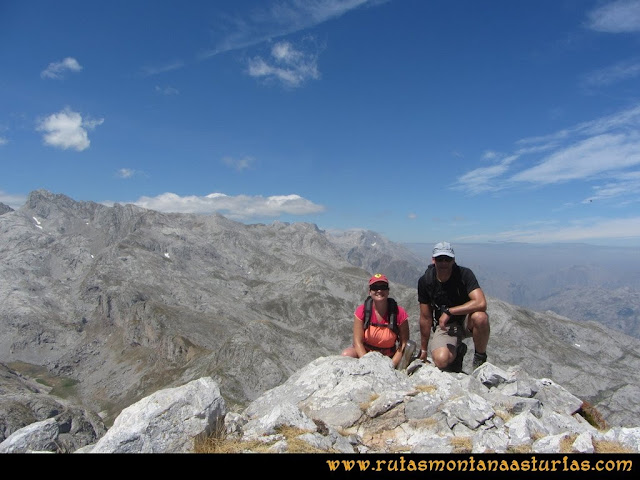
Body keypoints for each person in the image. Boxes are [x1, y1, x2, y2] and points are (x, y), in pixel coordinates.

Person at [417, 242, 490, 372]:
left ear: (453, 260)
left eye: (447, 259)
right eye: (440, 259)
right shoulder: (426, 281)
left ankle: (480, 358)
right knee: (441, 360)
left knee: (480, 317)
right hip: (446, 327)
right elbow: (425, 317)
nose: (444, 263)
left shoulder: (464, 274)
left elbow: (481, 303)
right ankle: (458, 351)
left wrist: (450, 312)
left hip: (468, 321)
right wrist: (423, 349)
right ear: (433, 260)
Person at [341, 273, 414, 369]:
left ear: (388, 291)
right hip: (365, 353)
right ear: (370, 292)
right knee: (346, 354)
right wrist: (366, 363)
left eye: (383, 287)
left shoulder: (399, 313)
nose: (379, 290)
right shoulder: (362, 311)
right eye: (375, 287)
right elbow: (357, 342)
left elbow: (403, 344)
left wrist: (390, 365)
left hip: (389, 357)